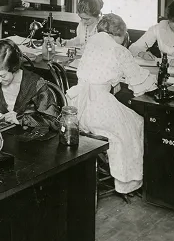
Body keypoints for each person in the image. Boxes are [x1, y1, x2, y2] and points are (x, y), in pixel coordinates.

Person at [67, 14, 156, 196]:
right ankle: (128, 181)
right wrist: (154, 80)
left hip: (78, 109)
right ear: (120, 34)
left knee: (126, 122)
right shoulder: (119, 50)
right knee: (138, 122)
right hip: (99, 109)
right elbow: (139, 82)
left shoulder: (91, 44)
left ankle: (109, 171)